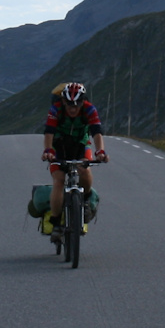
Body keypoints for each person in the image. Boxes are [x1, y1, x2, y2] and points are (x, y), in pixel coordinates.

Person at [40, 81, 107, 234]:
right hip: (59, 147)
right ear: (63, 101)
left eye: (77, 105)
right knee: (59, 180)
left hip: (80, 145)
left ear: (83, 101)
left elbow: (96, 132)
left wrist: (100, 152)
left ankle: (86, 200)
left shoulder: (90, 109)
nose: (73, 108)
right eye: (69, 104)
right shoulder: (55, 110)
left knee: (85, 171)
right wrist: (48, 150)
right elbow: (49, 131)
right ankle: (56, 222)